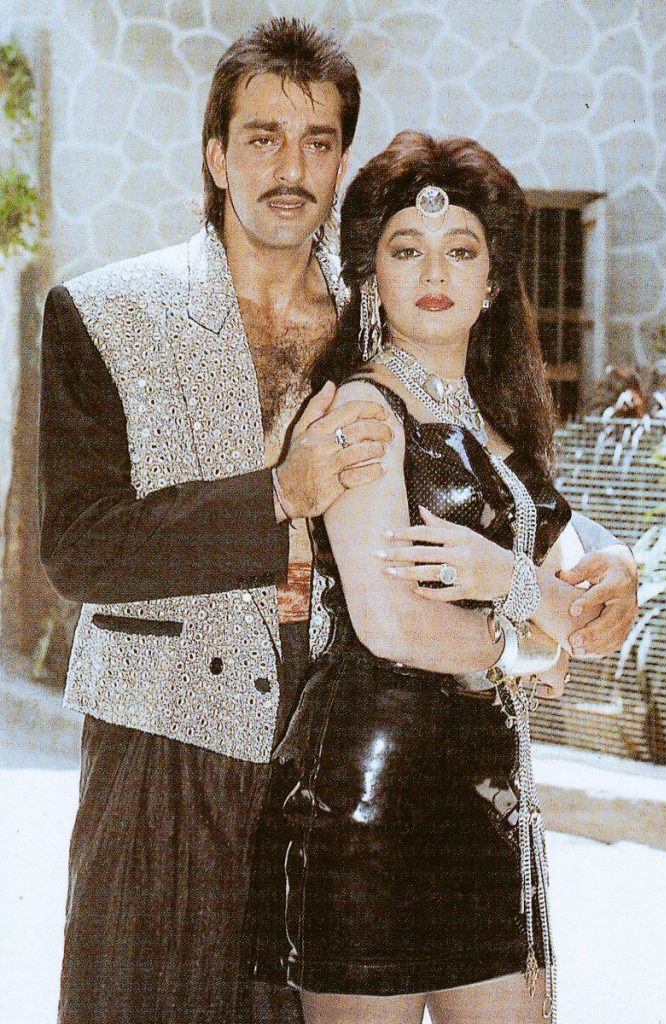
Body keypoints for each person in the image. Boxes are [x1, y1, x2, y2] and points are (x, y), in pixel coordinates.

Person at [37, 17, 635, 1024]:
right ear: (215, 155)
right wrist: (278, 494)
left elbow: (488, 450)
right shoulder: (108, 312)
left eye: (317, 142)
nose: (291, 168)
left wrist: (609, 557)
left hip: (333, 744)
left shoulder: (384, 302)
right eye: (262, 137)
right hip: (164, 747)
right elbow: (80, 546)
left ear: (342, 161)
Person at [253, 131, 614, 1024]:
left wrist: (553, 580)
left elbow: (574, 576)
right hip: (370, 800)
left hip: (488, 802)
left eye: (461, 250)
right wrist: (532, 635)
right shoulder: (363, 409)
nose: (434, 272)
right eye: (406, 250)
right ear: (371, 276)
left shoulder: (496, 423)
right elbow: (393, 623)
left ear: (493, 281)